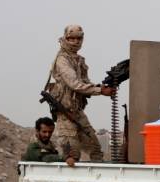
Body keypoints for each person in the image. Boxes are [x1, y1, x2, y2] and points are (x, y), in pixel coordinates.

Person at [46, 24, 114, 161]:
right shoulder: (62, 60)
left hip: (77, 112)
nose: (76, 41)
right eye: (72, 38)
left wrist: (101, 86)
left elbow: (85, 82)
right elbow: (75, 84)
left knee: (95, 149)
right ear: (66, 38)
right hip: (65, 113)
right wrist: (100, 90)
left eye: (79, 38)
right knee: (72, 155)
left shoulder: (78, 60)